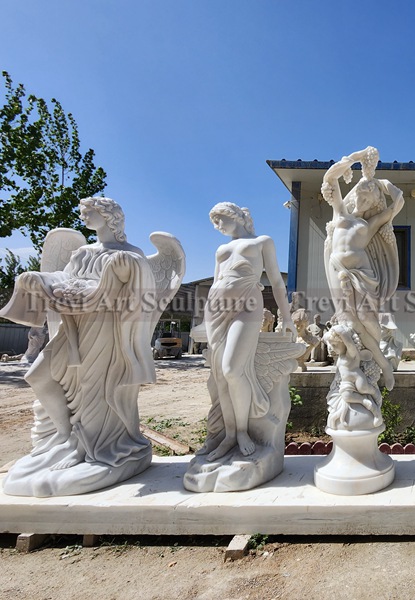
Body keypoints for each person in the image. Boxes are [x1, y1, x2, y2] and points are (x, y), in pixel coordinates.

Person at [0, 197, 177, 496]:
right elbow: (64, 278)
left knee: (96, 390)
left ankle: (94, 446)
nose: (83, 218)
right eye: (82, 213)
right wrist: (38, 277)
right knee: (39, 376)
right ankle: (67, 436)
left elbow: (144, 294)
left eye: (89, 213)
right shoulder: (82, 253)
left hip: (107, 331)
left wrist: (128, 268)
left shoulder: (131, 253)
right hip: (73, 326)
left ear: (108, 217)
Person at [197, 202, 296, 462]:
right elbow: (216, 281)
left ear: (236, 217)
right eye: (214, 223)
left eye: (221, 220)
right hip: (216, 310)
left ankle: (243, 431)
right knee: (220, 378)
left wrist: (286, 317)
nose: (218, 226)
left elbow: (275, 281)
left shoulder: (262, 242)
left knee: (232, 369)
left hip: (248, 305)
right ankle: (229, 435)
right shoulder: (221, 249)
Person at [322, 146, 404, 390]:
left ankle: (379, 363)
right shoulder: (340, 215)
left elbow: (396, 203)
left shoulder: (369, 224)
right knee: (348, 321)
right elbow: (330, 178)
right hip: (340, 271)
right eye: (362, 195)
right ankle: (354, 367)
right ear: (356, 194)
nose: (364, 200)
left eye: (369, 198)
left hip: (364, 275)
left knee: (368, 319)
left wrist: (385, 184)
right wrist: (355, 159)